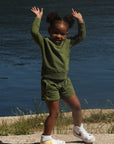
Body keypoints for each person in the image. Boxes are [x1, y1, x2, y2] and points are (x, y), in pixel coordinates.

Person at [30, 6, 95, 144]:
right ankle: (46, 138)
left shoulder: (68, 43)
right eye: (55, 32)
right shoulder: (45, 43)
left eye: (63, 34)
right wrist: (38, 18)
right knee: (54, 113)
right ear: (49, 31)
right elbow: (34, 33)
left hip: (64, 82)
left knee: (77, 107)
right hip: (50, 83)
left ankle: (78, 129)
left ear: (66, 34)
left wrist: (81, 21)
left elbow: (81, 36)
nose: (59, 36)